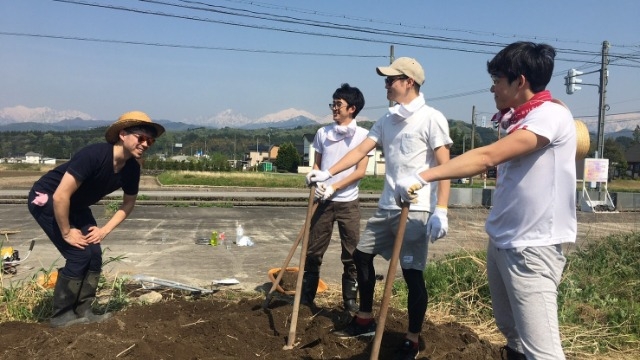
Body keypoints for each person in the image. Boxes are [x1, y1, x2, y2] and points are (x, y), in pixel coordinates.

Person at [395, 42, 576, 360]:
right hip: (504, 241)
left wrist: (423, 176)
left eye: (497, 80)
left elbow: (487, 157)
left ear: (519, 81)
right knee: (513, 334)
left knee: (542, 350)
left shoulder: (551, 115)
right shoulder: (519, 118)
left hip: (532, 247)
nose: (492, 87)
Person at [306, 57, 452, 360]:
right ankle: (365, 319)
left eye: (391, 80)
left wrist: (441, 209)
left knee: (412, 275)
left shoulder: (431, 118)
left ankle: (411, 338)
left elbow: (445, 165)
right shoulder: (386, 120)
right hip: (387, 206)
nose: (386, 85)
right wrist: (328, 174)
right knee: (361, 256)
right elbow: (361, 150)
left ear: (408, 82)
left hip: (416, 209)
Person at [28, 110, 165, 328]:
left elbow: (128, 203)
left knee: (94, 255)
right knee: (78, 254)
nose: (146, 144)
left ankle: (84, 310)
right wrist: (66, 232)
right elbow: (61, 195)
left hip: (76, 205)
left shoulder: (131, 169)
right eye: (141, 138)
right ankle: (61, 316)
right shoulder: (94, 155)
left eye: (151, 140)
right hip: (48, 198)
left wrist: (104, 230)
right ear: (123, 134)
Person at [301, 83, 371, 313]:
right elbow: (318, 163)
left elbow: (360, 171)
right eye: (333, 103)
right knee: (312, 251)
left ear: (352, 108)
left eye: (338, 104)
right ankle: (306, 298)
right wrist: (315, 179)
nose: (334, 108)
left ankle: (350, 302)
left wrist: (335, 186)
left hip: (348, 203)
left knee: (352, 254)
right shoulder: (323, 133)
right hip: (322, 201)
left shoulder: (363, 136)